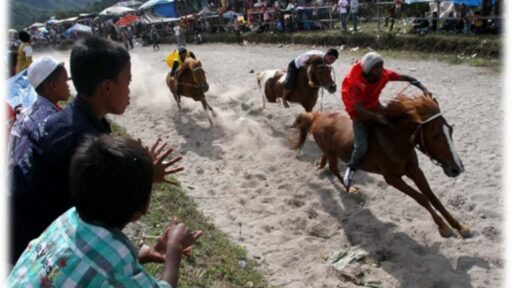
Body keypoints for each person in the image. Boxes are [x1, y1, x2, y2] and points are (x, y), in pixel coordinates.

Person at [8, 36, 184, 265]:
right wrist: (145, 177)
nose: (129, 91)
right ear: (108, 87)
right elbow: (102, 221)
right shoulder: (84, 141)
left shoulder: (66, 120)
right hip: (27, 254)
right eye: (127, 83)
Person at [7, 135, 202, 287]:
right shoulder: (117, 257)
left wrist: (142, 256)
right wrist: (174, 248)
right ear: (143, 207)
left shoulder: (68, 219)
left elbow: (88, 267)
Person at [341, 52, 431, 190]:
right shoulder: (355, 84)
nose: (381, 70)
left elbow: (407, 77)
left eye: (381, 66)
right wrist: (375, 117)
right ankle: (351, 168)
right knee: (361, 147)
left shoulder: (384, 74)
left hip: (375, 107)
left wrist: (423, 88)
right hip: (360, 116)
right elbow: (357, 107)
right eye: (377, 68)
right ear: (369, 71)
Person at [8, 56, 70, 182]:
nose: (68, 85)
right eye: (65, 80)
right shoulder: (50, 122)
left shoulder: (30, 111)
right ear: (53, 85)